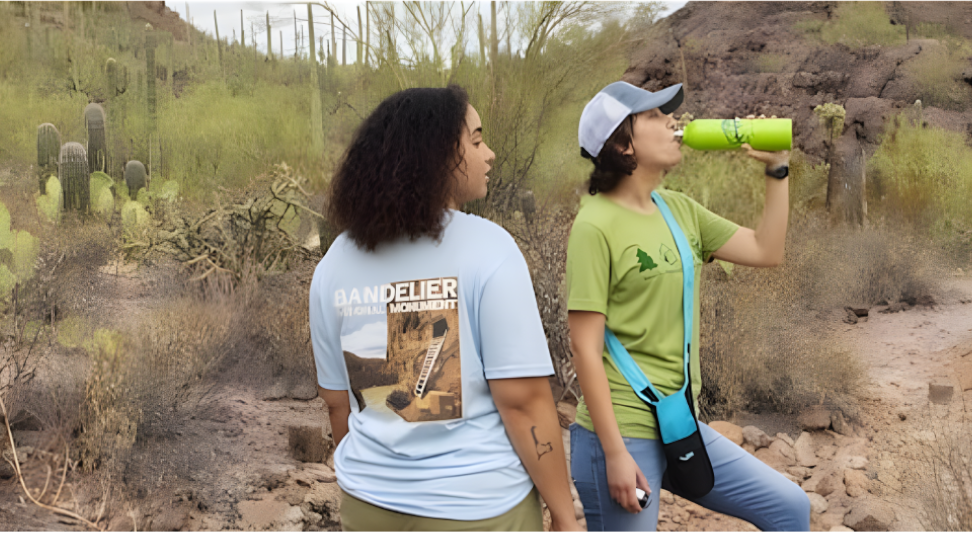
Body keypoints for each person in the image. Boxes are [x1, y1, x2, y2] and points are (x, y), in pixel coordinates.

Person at [310, 85, 581, 533]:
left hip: (368, 507)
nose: (489, 154)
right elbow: (524, 403)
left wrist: (373, 482)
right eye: (476, 141)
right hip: (477, 510)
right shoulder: (489, 248)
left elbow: (339, 405)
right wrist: (565, 516)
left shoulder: (334, 263)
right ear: (436, 158)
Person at [565, 81, 811, 532]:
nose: (672, 121)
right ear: (622, 144)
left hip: (680, 422)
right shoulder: (594, 225)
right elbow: (585, 348)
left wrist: (777, 168)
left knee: (790, 508)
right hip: (621, 432)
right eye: (654, 116)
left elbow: (766, 250)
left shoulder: (679, 210)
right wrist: (615, 453)